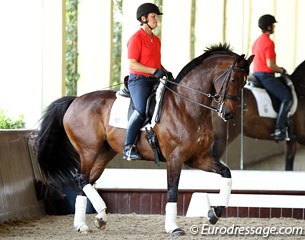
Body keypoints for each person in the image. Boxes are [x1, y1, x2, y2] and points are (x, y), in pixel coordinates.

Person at [123, 3, 171, 161]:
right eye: (153, 17)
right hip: (139, 81)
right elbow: (132, 64)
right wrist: (153, 71)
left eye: (156, 17)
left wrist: (163, 70)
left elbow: (154, 63)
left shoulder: (156, 40)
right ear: (143, 19)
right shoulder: (136, 39)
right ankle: (128, 148)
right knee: (141, 110)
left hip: (154, 79)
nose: (156, 20)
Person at [252, 14, 292, 141]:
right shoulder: (268, 42)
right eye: (273, 25)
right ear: (269, 27)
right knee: (287, 98)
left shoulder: (257, 41)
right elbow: (270, 65)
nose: (274, 27)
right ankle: (279, 129)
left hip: (255, 74)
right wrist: (281, 70)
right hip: (265, 76)